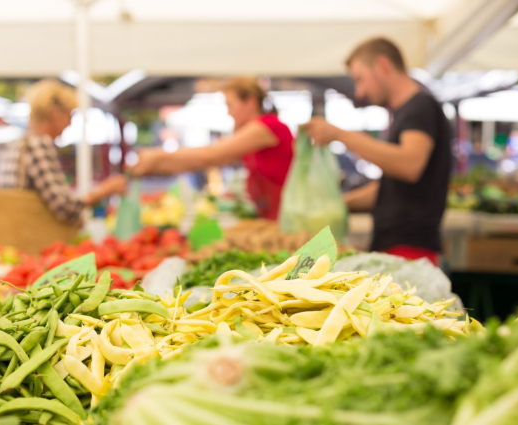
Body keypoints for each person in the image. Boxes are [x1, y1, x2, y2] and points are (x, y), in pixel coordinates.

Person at [302, 38, 452, 265]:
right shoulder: (406, 113)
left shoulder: (421, 108)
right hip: (397, 246)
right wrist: (338, 203)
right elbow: (390, 189)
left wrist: (340, 135)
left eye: (360, 79)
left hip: (411, 249)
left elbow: (409, 165)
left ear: (383, 66)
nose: (360, 91)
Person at [130, 77, 294, 220]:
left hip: (286, 217)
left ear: (250, 102)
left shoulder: (268, 126)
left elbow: (211, 155)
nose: (229, 113)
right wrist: (155, 166)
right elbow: (206, 160)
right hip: (272, 217)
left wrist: (158, 156)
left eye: (230, 105)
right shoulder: (255, 133)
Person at [0, 79, 127, 225]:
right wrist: (104, 191)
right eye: (70, 115)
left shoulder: (16, 145)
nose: (70, 123)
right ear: (53, 114)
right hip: (32, 238)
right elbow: (64, 206)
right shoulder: (38, 145)